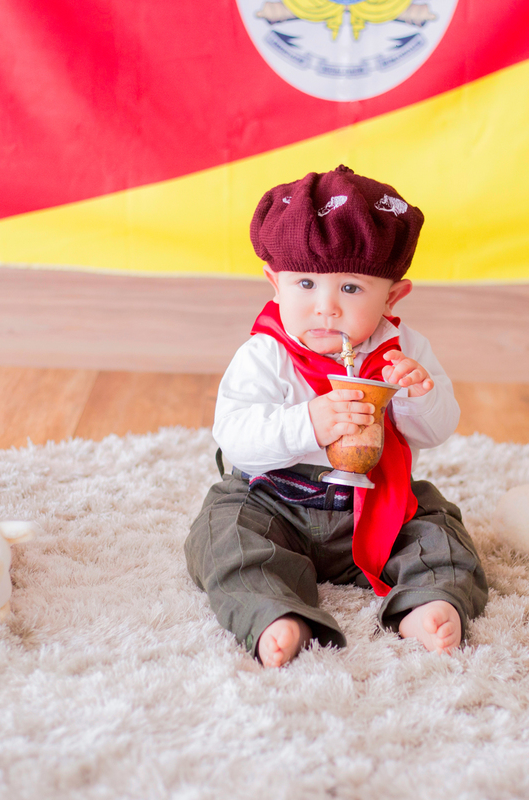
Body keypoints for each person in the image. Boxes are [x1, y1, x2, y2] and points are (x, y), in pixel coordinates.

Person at [185, 165, 487, 668]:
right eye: (304, 284)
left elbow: (437, 430)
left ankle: (426, 603)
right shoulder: (265, 355)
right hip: (275, 500)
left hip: (375, 503)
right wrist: (310, 423)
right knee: (222, 533)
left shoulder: (403, 349)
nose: (325, 308)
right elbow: (235, 438)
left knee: (441, 531)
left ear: (392, 295)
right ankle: (274, 613)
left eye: (350, 289)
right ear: (274, 284)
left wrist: (413, 394)